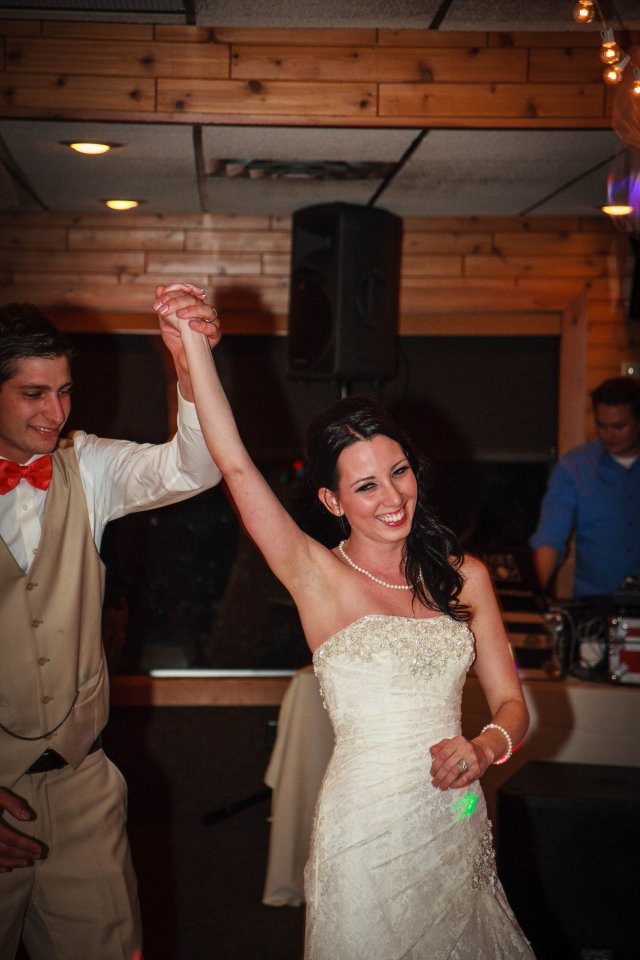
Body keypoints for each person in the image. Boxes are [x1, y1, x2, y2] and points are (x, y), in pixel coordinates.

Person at [154, 289, 535, 959]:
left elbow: (512, 703)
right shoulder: (315, 575)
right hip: (363, 834)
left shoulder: (464, 575)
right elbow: (235, 462)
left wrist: (484, 748)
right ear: (331, 499)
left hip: (457, 822)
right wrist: (191, 353)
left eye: (399, 472)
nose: (392, 497)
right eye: (366, 486)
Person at [0, 283, 221, 960]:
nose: (55, 411)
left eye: (64, 391)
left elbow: (196, 466)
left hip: (82, 786)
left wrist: (189, 368)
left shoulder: (85, 464)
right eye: (34, 393)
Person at [530, 376, 640, 599]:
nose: (608, 435)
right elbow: (550, 537)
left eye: (619, 426)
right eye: (601, 426)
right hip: (595, 606)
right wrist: (532, 595)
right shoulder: (575, 466)